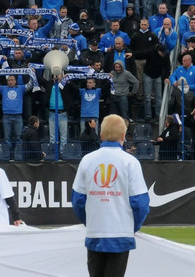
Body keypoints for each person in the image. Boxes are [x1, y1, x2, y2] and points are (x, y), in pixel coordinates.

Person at [72, 114, 150, 277]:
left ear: (101, 136)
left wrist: (90, 222)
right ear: (123, 136)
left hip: (95, 233)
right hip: (120, 233)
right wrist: (131, 227)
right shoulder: (130, 162)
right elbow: (141, 204)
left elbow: (78, 200)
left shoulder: (87, 160)